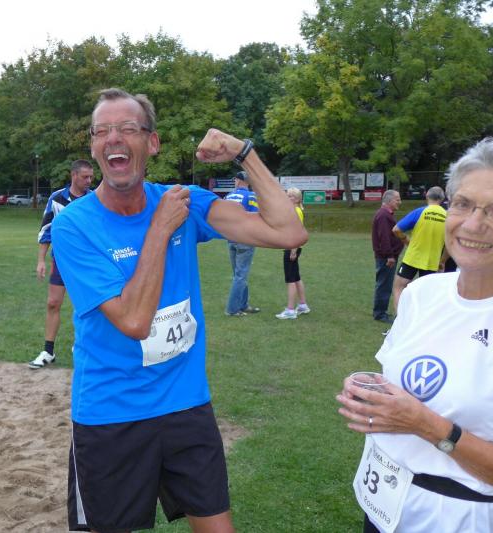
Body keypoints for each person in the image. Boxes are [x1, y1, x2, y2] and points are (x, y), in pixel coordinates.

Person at [52, 88, 307, 533]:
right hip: (110, 414)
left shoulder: (184, 201)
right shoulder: (74, 225)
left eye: (128, 128)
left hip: (185, 403)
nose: (114, 139)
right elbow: (134, 321)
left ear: (152, 142)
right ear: (93, 147)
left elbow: (289, 232)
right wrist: (160, 228)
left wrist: (244, 153)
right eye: (102, 131)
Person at [337, 138, 493, 533]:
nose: (473, 224)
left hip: (456, 517)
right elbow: (410, 380)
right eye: (462, 204)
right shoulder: (422, 293)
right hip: (382, 503)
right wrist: (370, 389)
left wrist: (430, 427)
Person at [29, 159, 93, 369]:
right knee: (53, 303)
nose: (89, 181)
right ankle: (48, 351)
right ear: (73, 176)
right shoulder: (56, 199)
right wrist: (41, 260)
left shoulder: (94, 199)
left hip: (86, 262)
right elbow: (46, 230)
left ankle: (82, 345)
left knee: (87, 305)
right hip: (61, 261)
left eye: (91, 177)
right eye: (85, 177)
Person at [391, 186, 447, 311]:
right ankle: (422, 320)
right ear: (442, 199)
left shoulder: (420, 212)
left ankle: (400, 319)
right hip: (432, 261)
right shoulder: (447, 216)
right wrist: (442, 261)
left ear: (426, 195)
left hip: (413, 258)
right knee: (427, 294)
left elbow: (396, 229)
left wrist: (406, 240)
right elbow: (450, 244)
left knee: (399, 287)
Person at [224, 170, 261, 316]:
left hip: (231, 238)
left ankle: (243, 305)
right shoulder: (251, 196)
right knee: (241, 276)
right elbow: (255, 217)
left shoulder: (228, 196)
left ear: (239, 180)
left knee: (238, 275)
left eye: (235, 179)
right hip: (245, 239)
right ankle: (232, 309)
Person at [275, 187, 310, 319]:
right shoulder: (294, 210)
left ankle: (290, 310)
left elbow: (297, 232)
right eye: (287, 196)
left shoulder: (296, 211)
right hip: (293, 247)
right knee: (296, 277)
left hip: (292, 248)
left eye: (291, 196)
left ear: (298, 199)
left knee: (290, 280)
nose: (288, 198)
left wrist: (293, 250)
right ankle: (302, 305)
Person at [371, 190, 403, 323]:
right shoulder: (384, 215)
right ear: (389, 200)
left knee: (385, 283)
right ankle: (380, 313)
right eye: (397, 199)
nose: (400, 202)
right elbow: (384, 237)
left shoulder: (385, 214)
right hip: (386, 257)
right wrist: (389, 256)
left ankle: (380, 311)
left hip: (387, 256)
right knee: (384, 284)